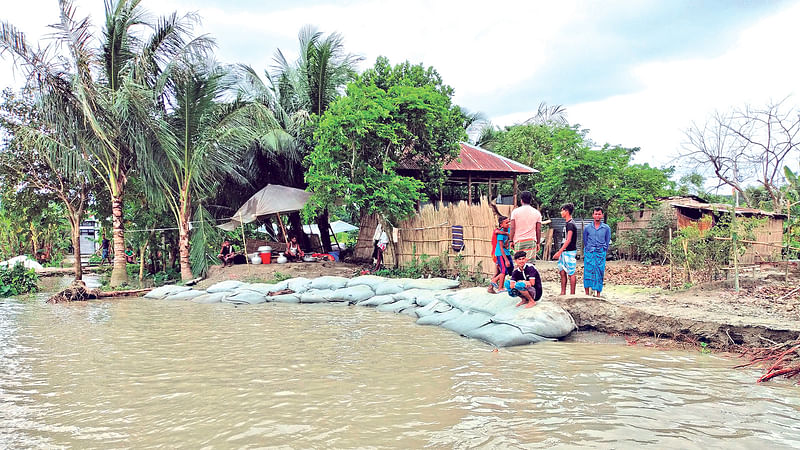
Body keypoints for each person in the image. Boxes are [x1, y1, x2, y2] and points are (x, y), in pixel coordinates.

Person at [583, 206, 611, 297]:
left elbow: (607, 241)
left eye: (599, 214)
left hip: (600, 254)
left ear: (602, 215)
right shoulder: (587, 228)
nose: (597, 216)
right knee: (588, 272)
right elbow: (585, 240)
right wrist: (588, 250)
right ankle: (587, 294)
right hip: (590, 253)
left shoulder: (606, 228)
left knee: (599, 272)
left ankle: (598, 294)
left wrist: (602, 250)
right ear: (593, 215)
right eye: (596, 214)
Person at [509, 191, 542, 260]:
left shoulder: (515, 212)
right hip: (531, 241)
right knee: (530, 265)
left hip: (519, 241)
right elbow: (538, 229)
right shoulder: (537, 213)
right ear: (531, 200)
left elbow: (512, 228)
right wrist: (538, 242)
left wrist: (511, 241)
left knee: (520, 263)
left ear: (521, 200)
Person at [553, 203, 578, 295]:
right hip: (564, 251)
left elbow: (568, 240)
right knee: (562, 271)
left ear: (566, 211)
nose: (561, 212)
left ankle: (572, 294)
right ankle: (563, 292)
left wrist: (559, 252)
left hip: (569, 251)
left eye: (562, 210)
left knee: (571, 272)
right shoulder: (567, 223)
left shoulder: (571, 224)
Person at [488, 215, 513, 294]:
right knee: (503, 270)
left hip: (506, 253)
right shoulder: (499, 232)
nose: (508, 223)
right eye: (506, 222)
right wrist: (506, 260)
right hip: (499, 254)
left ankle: (491, 287)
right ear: (501, 224)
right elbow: (501, 247)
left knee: (502, 271)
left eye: (509, 222)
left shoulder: (509, 230)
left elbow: (506, 243)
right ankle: (499, 287)